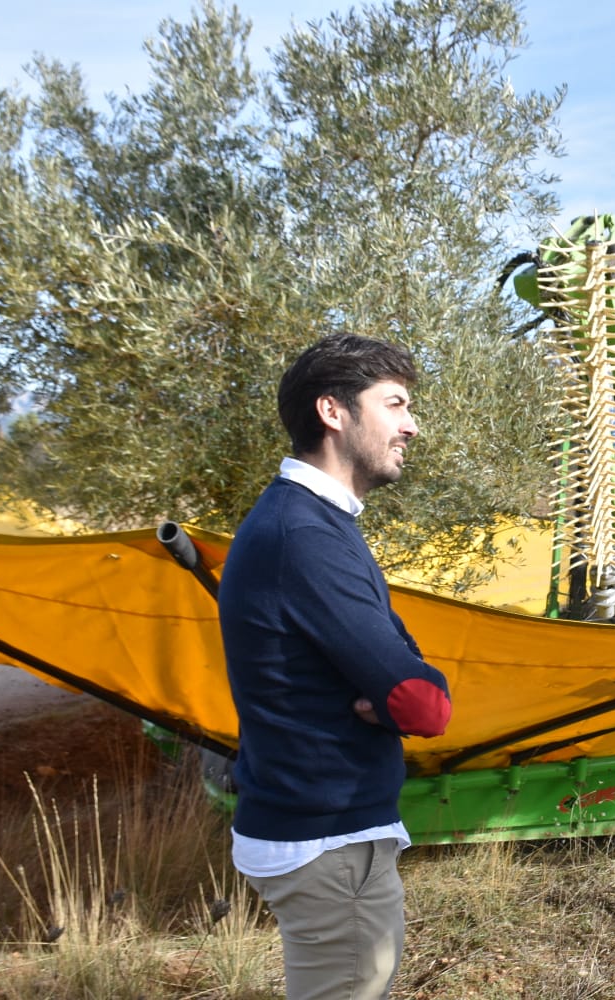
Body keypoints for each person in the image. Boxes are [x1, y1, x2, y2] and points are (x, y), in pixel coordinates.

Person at [218, 332, 453, 1000]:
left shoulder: (310, 524)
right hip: (329, 843)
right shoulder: (305, 537)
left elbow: (398, 680)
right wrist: (397, 693)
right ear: (334, 412)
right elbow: (423, 703)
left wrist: (391, 687)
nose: (413, 425)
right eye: (395, 403)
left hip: (324, 838)